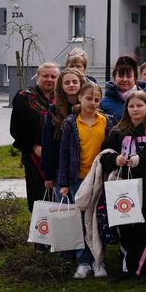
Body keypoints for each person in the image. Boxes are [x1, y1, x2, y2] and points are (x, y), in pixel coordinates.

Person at [99, 91, 146, 281]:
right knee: (127, 230)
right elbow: (103, 157)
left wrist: (140, 159)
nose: (135, 109)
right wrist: (115, 159)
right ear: (126, 109)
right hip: (123, 190)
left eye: (139, 105)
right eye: (131, 106)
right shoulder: (117, 132)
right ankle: (127, 268)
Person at [56, 81, 108, 278]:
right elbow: (64, 154)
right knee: (79, 220)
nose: (92, 103)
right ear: (79, 98)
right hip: (78, 179)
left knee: (98, 220)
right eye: (88, 99)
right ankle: (83, 261)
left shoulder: (106, 121)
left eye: (96, 99)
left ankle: (98, 260)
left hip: (98, 179)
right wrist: (63, 183)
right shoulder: (71, 123)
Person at [10, 62, 58, 214]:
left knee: (59, 196)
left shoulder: (62, 100)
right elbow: (16, 129)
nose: (49, 79)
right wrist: (34, 147)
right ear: (38, 77)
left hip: (58, 157)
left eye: (53, 76)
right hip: (34, 156)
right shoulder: (23, 98)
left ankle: (60, 232)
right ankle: (41, 233)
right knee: (39, 196)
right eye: (45, 76)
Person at [41, 67, 84, 195]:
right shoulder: (54, 110)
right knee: (64, 209)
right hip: (60, 167)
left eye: (75, 82)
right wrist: (49, 174)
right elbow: (47, 142)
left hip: (83, 167)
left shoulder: (88, 107)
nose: (71, 85)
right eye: (67, 82)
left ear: (81, 83)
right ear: (61, 86)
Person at [101, 55, 146, 126]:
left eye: (129, 76)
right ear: (114, 78)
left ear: (135, 78)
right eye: (121, 76)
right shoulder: (104, 103)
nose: (125, 80)